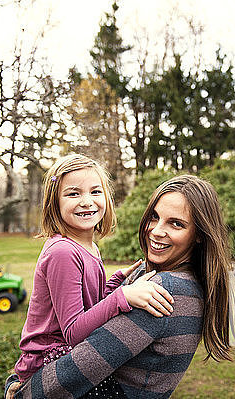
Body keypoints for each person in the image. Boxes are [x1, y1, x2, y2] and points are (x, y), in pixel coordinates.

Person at [8, 174, 232, 399]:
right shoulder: (164, 278)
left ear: (200, 234)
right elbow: (93, 316)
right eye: (154, 217)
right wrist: (118, 286)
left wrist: (19, 391)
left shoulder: (166, 290)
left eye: (176, 223)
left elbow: (80, 366)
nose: (155, 231)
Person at [11, 154, 175, 386]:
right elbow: (74, 331)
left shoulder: (90, 247)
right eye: (73, 193)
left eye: (95, 192)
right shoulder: (63, 252)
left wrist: (116, 281)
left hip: (68, 354)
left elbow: (90, 306)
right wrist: (122, 296)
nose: (87, 201)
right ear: (54, 203)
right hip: (47, 363)